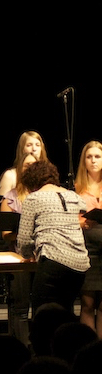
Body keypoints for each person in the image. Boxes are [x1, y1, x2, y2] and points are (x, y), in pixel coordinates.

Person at [17, 160, 89, 315]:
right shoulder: (73, 196)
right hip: (79, 267)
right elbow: (83, 207)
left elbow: (24, 240)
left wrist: (28, 255)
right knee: (64, 314)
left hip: (53, 262)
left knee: (43, 316)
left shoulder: (33, 198)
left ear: (31, 182)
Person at [0, 130, 48, 346]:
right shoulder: (12, 196)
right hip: (18, 255)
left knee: (41, 306)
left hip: (43, 256)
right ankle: (20, 348)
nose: (30, 170)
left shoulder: (47, 195)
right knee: (19, 306)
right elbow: (5, 232)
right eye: (26, 167)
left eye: (34, 167)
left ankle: (40, 346)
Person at [76, 141, 102, 336]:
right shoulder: (76, 188)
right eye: (89, 157)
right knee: (87, 303)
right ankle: (88, 348)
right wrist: (82, 223)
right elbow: (69, 219)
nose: (93, 160)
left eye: (98, 156)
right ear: (83, 161)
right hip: (86, 250)